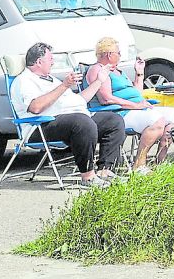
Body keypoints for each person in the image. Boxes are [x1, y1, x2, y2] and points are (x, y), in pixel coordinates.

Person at [10, 42, 127, 188]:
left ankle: (105, 171)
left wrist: (99, 81)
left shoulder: (51, 80)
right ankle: (88, 176)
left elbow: (80, 100)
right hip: (39, 126)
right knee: (82, 122)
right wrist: (64, 85)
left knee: (113, 121)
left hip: (71, 119)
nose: (53, 62)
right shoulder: (24, 81)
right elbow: (36, 107)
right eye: (50, 58)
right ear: (39, 62)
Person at [87, 37, 174, 174]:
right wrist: (135, 105)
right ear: (109, 54)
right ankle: (139, 164)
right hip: (117, 112)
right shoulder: (98, 70)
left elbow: (137, 93)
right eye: (118, 53)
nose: (120, 56)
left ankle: (159, 162)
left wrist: (139, 73)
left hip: (135, 108)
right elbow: (106, 99)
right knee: (156, 120)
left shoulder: (118, 71)